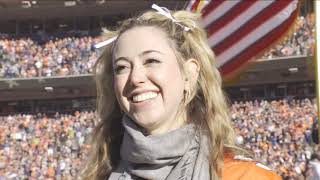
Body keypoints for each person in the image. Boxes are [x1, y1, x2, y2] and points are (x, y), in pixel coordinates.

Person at [81, 4, 281, 180]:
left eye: (151, 61)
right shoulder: (102, 176)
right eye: (122, 67)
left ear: (189, 73)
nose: (135, 78)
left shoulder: (245, 177)